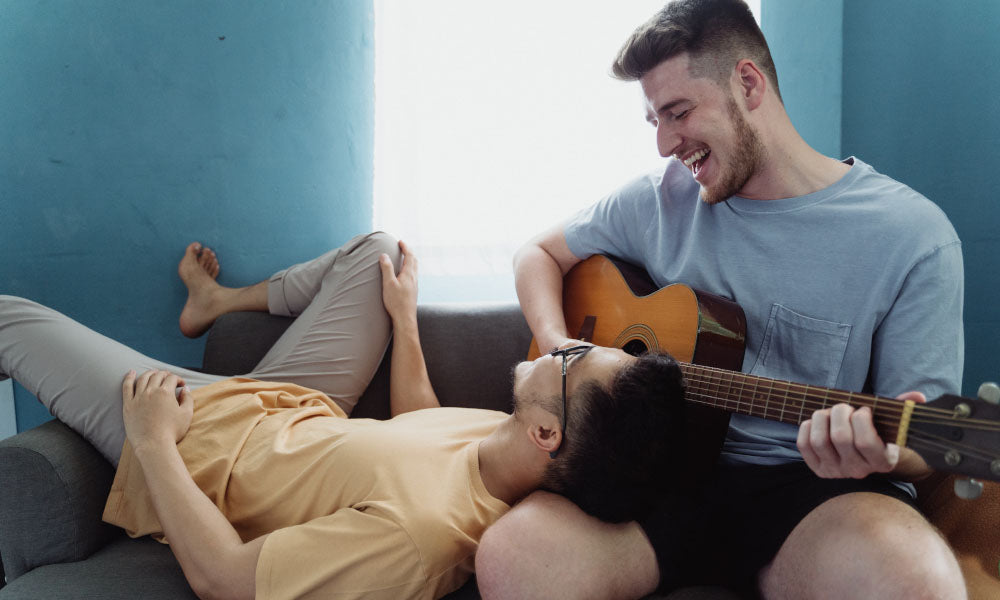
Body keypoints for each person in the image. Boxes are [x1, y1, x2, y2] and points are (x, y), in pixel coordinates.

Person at [477, 1, 967, 599]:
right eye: (653, 120)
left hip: (813, 495)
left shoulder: (912, 236)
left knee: (916, 584)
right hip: (663, 480)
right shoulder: (656, 201)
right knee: (512, 560)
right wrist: (561, 350)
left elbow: (926, 449)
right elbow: (538, 253)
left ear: (748, 83)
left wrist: (883, 454)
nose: (663, 145)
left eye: (677, 113)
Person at [0, 232, 686, 600]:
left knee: (7, 319)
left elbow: (228, 581)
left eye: (574, 360)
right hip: (290, 404)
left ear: (548, 434)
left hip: (197, 435)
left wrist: (152, 445)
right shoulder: (504, 445)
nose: (563, 343)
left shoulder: (416, 544)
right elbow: (418, 424)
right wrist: (404, 320)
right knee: (379, 253)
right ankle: (214, 303)